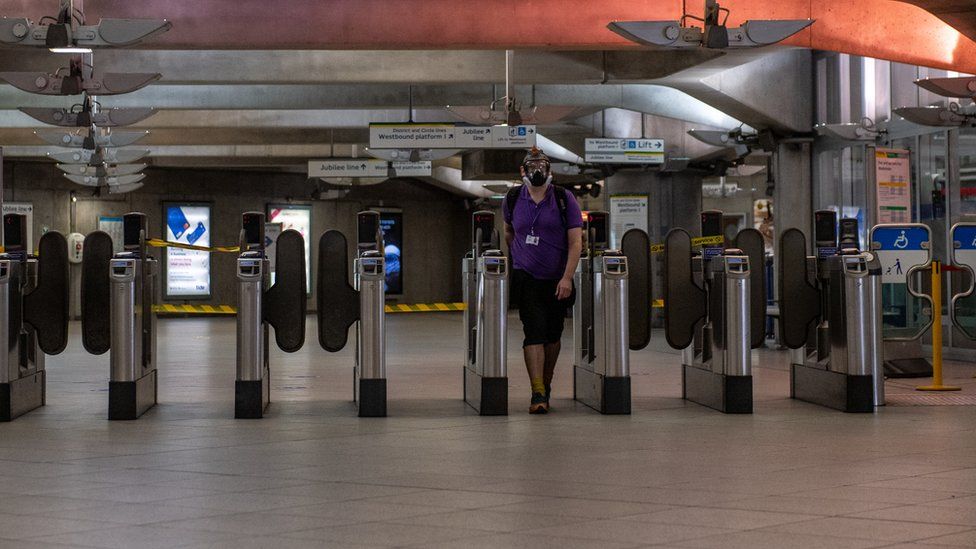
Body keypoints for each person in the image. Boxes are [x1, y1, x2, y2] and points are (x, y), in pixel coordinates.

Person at [503, 147, 583, 414]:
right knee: (533, 332)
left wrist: (567, 277)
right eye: (531, 166)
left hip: (557, 278)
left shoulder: (564, 198)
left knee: (553, 334)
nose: (537, 170)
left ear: (550, 170)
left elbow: (575, 242)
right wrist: (519, 257)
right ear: (522, 171)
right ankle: (537, 391)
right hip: (526, 277)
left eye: (542, 165)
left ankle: (545, 384)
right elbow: (508, 232)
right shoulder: (513, 198)